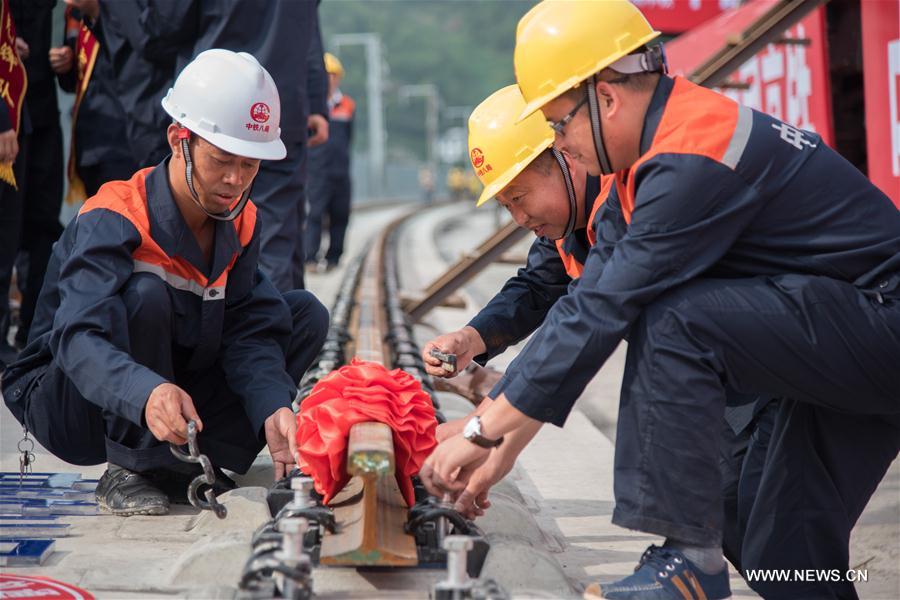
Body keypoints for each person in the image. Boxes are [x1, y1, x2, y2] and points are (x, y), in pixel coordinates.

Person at [419, 2, 900, 599]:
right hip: (834, 336)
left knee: (677, 322)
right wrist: (497, 445)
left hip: (879, 319)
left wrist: (480, 432)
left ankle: (687, 561)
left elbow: (605, 306)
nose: (562, 143)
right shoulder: (641, 169)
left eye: (559, 125)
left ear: (607, 99)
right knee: (778, 543)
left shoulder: (688, 156)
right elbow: (588, 299)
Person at [2, 50, 329, 517]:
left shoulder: (239, 223)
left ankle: (192, 463)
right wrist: (145, 392)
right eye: (221, 160)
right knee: (145, 293)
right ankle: (131, 466)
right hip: (72, 398)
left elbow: (247, 332)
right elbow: (78, 337)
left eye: (251, 165)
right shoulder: (115, 216)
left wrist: (274, 406)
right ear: (180, 140)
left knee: (301, 313)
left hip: (173, 380)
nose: (235, 181)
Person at [421, 84, 618, 516]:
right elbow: (538, 286)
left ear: (565, 157)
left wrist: (485, 427)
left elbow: (579, 326)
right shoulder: (567, 220)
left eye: (519, 196)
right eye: (507, 205)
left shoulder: (618, 206)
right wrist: (471, 339)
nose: (520, 218)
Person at [131, 0, 330, 292]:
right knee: (279, 236)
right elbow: (310, 32)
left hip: (213, 112)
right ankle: (278, 329)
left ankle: (235, 328)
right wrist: (316, 99)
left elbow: (162, 29)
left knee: (203, 228)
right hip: (279, 109)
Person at [305, 52, 355, 272]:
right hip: (316, 170)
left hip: (340, 170)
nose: (329, 80)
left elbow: (350, 137)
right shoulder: (310, 106)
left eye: (333, 75)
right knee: (314, 214)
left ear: (338, 78)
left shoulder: (347, 105)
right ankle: (310, 259)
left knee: (340, 214)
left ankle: (334, 258)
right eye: (326, 75)